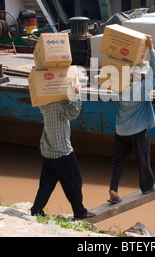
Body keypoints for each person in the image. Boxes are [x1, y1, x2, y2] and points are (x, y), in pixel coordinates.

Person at [31, 80, 95, 219]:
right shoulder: (60, 104)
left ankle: (36, 209)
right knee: (74, 183)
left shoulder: (44, 102)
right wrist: (76, 94)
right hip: (62, 151)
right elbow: (73, 113)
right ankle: (80, 211)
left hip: (48, 149)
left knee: (46, 184)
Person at [107, 35, 155, 204]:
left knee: (118, 161)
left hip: (121, 130)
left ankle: (113, 189)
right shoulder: (143, 88)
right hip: (137, 131)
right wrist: (151, 48)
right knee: (143, 158)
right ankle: (147, 187)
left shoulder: (120, 87)